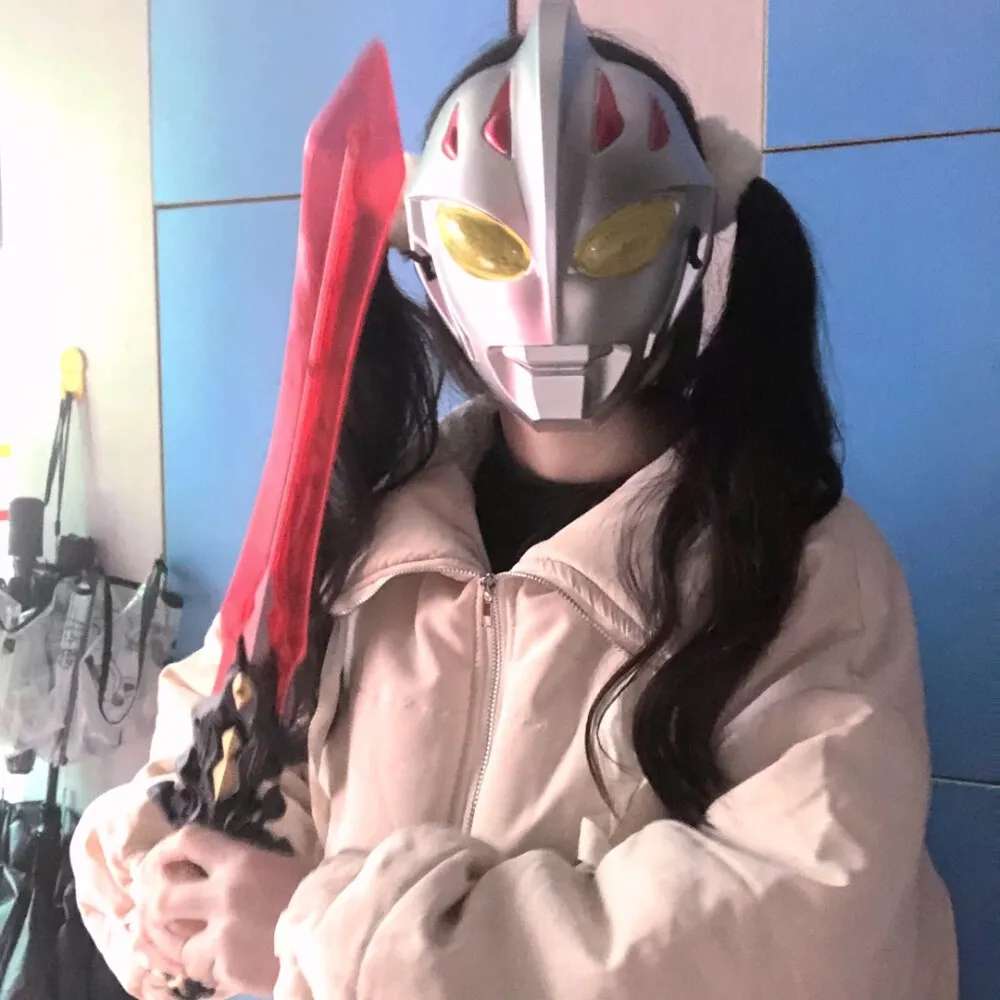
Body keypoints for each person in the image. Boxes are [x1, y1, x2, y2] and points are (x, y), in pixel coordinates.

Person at [70, 3, 959, 997]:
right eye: (493, 245)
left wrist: (319, 940)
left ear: (692, 242)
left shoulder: (803, 570)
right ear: (430, 258)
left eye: (615, 240)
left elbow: (788, 929)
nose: (552, 299)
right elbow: (202, 763)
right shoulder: (355, 538)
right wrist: (163, 876)